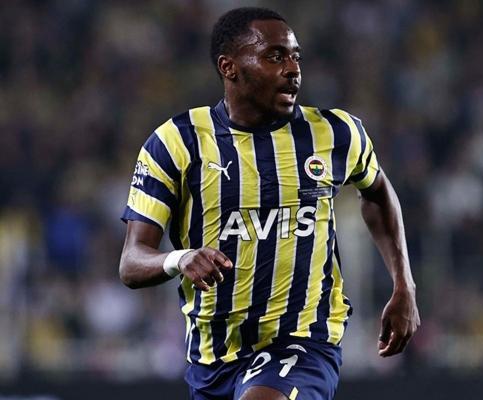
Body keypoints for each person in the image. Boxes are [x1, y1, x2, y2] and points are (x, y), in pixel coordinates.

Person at [119, 7, 420, 400]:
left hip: (303, 342)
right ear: (229, 67)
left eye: (295, 57)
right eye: (275, 56)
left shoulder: (335, 133)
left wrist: (404, 284)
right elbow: (132, 263)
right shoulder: (175, 144)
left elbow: (376, 191)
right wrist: (181, 258)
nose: (293, 69)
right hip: (212, 360)